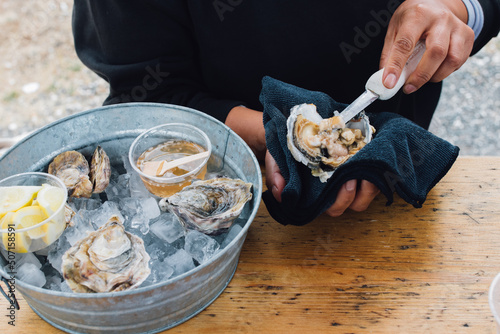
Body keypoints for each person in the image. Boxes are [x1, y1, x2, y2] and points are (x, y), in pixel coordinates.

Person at [73, 0, 500, 217]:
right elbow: (144, 91)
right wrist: (276, 136)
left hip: (399, 183)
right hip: (230, 195)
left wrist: (456, 9)